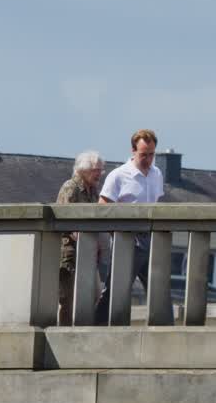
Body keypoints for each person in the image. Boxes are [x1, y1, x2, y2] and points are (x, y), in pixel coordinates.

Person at [94, 129, 172, 324]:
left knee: (159, 287)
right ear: (133, 151)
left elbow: (157, 204)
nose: (148, 159)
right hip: (127, 239)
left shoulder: (157, 174)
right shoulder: (119, 175)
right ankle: (99, 327)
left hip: (151, 238)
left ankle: (165, 329)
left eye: (152, 154)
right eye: (143, 154)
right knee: (116, 287)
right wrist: (116, 233)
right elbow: (102, 207)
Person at [55, 151, 104, 325]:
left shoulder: (93, 191)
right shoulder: (71, 187)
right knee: (67, 299)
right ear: (83, 169)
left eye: (100, 170)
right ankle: (64, 333)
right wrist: (81, 238)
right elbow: (63, 218)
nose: (99, 174)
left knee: (97, 294)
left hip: (87, 252)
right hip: (69, 252)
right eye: (95, 170)